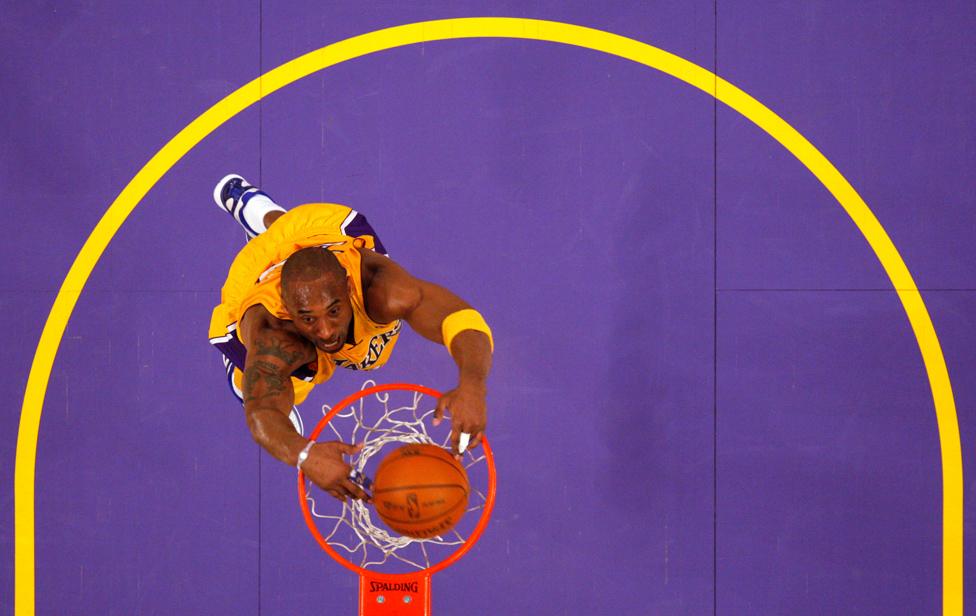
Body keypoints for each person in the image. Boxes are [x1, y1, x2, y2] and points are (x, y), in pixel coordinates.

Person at [208, 174, 493, 503]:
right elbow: (262, 412)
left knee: (287, 227)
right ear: (289, 310)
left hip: (314, 232)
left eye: (333, 311)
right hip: (253, 279)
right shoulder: (274, 334)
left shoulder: (383, 291)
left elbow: (459, 317)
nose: (325, 331)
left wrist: (473, 384)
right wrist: (303, 455)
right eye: (309, 319)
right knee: (270, 384)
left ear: (347, 286)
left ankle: (257, 210)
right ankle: (261, 228)